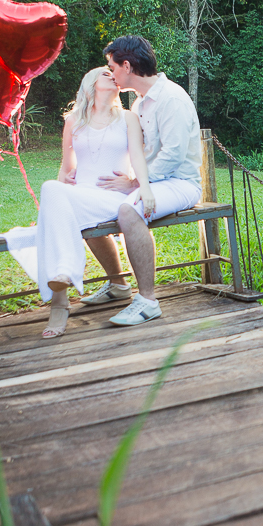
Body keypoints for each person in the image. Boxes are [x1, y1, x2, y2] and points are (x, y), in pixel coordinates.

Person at [0, 66, 155, 338]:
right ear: (90, 84)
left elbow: (138, 158)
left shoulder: (128, 118)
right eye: (105, 73)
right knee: (52, 188)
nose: (113, 75)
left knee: (52, 193)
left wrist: (139, 185)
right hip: (81, 195)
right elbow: (66, 168)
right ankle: (63, 289)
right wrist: (54, 202)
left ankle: (61, 299)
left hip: (114, 196)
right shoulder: (74, 121)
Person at [81, 35, 202, 326]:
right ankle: (118, 284)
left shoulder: (171, 98)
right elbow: (136, 152)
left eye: (112, 67)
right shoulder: (139, 104)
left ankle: (147, 301)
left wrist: (135, 184)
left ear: (127, 66)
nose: (110, 73)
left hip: (181, 183)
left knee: (128, 210)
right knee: (87, 204)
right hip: (152, 182)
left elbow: (172, 156)